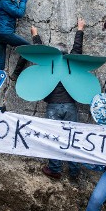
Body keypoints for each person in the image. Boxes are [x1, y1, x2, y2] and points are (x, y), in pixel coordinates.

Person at [34, 19, 86, 182]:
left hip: (53, 107)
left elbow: (40, 52)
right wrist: (79, 29)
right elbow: (77, 49)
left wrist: (35, 35)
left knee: (53, 138)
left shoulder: (49, 65)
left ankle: (55, 169)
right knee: (72, 138)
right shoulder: (71, 64)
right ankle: (74, 171)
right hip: (70, 106)